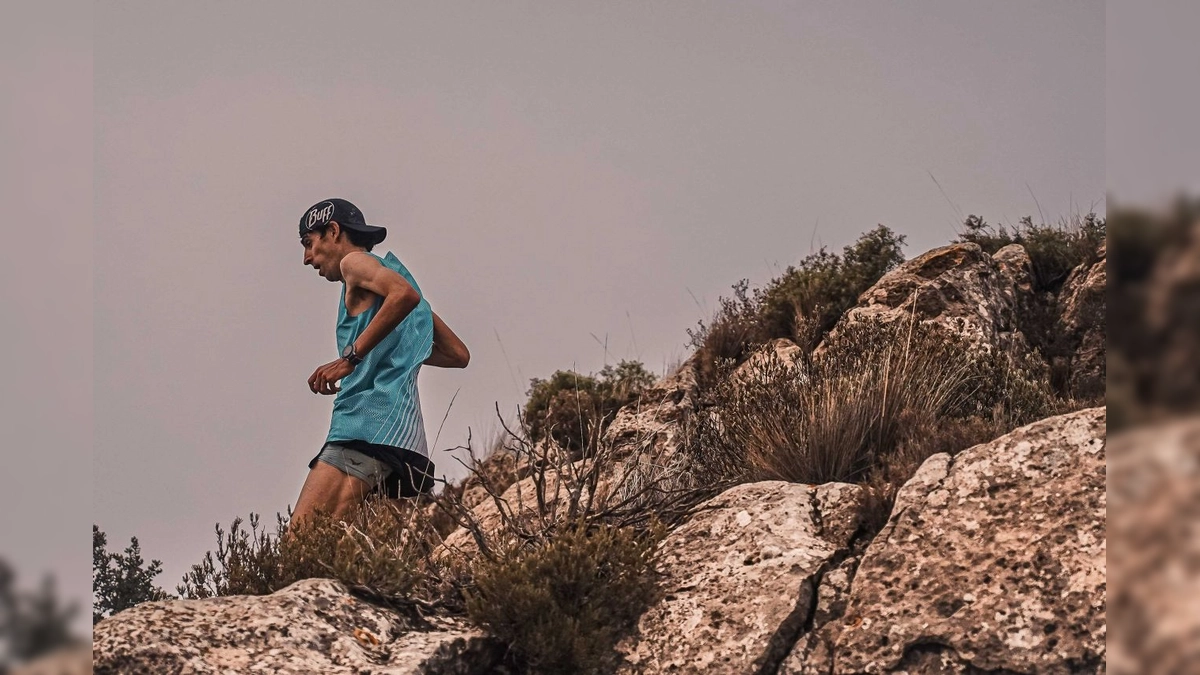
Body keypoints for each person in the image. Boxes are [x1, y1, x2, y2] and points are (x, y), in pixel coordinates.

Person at [290, 198, 469, 526]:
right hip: (405, 444)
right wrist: (393, 347)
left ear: (333, 231)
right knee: (355, 559)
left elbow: (404, 295)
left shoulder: (354, 264)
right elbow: (457, 354)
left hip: (363, 428)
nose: (306, 258)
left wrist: (351, 357)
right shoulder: (393, 280)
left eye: (308, 243)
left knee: (300, 544)